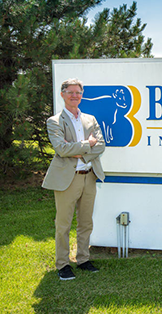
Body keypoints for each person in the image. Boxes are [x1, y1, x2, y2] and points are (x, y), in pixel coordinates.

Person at [42, 78, 106, 281]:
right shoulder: (54, 121)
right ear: (62, 94)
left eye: (78, 92)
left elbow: (101, 145)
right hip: (67, 180)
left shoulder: (90, 119)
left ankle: (83, 259)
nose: (74, 95)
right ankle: (62, 265)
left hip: (89, 176)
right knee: (63, 224)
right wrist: (88, 144)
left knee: (86, 222)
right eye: (70, 92)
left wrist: (79, 150)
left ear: (82, 94)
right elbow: (61, 149)